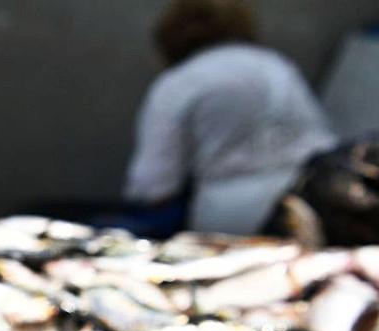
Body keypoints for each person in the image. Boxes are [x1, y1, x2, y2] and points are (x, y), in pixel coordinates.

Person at [124, 0, 338, 235]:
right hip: (314, 205)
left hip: (231, 220)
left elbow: (151, 187)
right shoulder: (278, 66)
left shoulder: (179, 82)